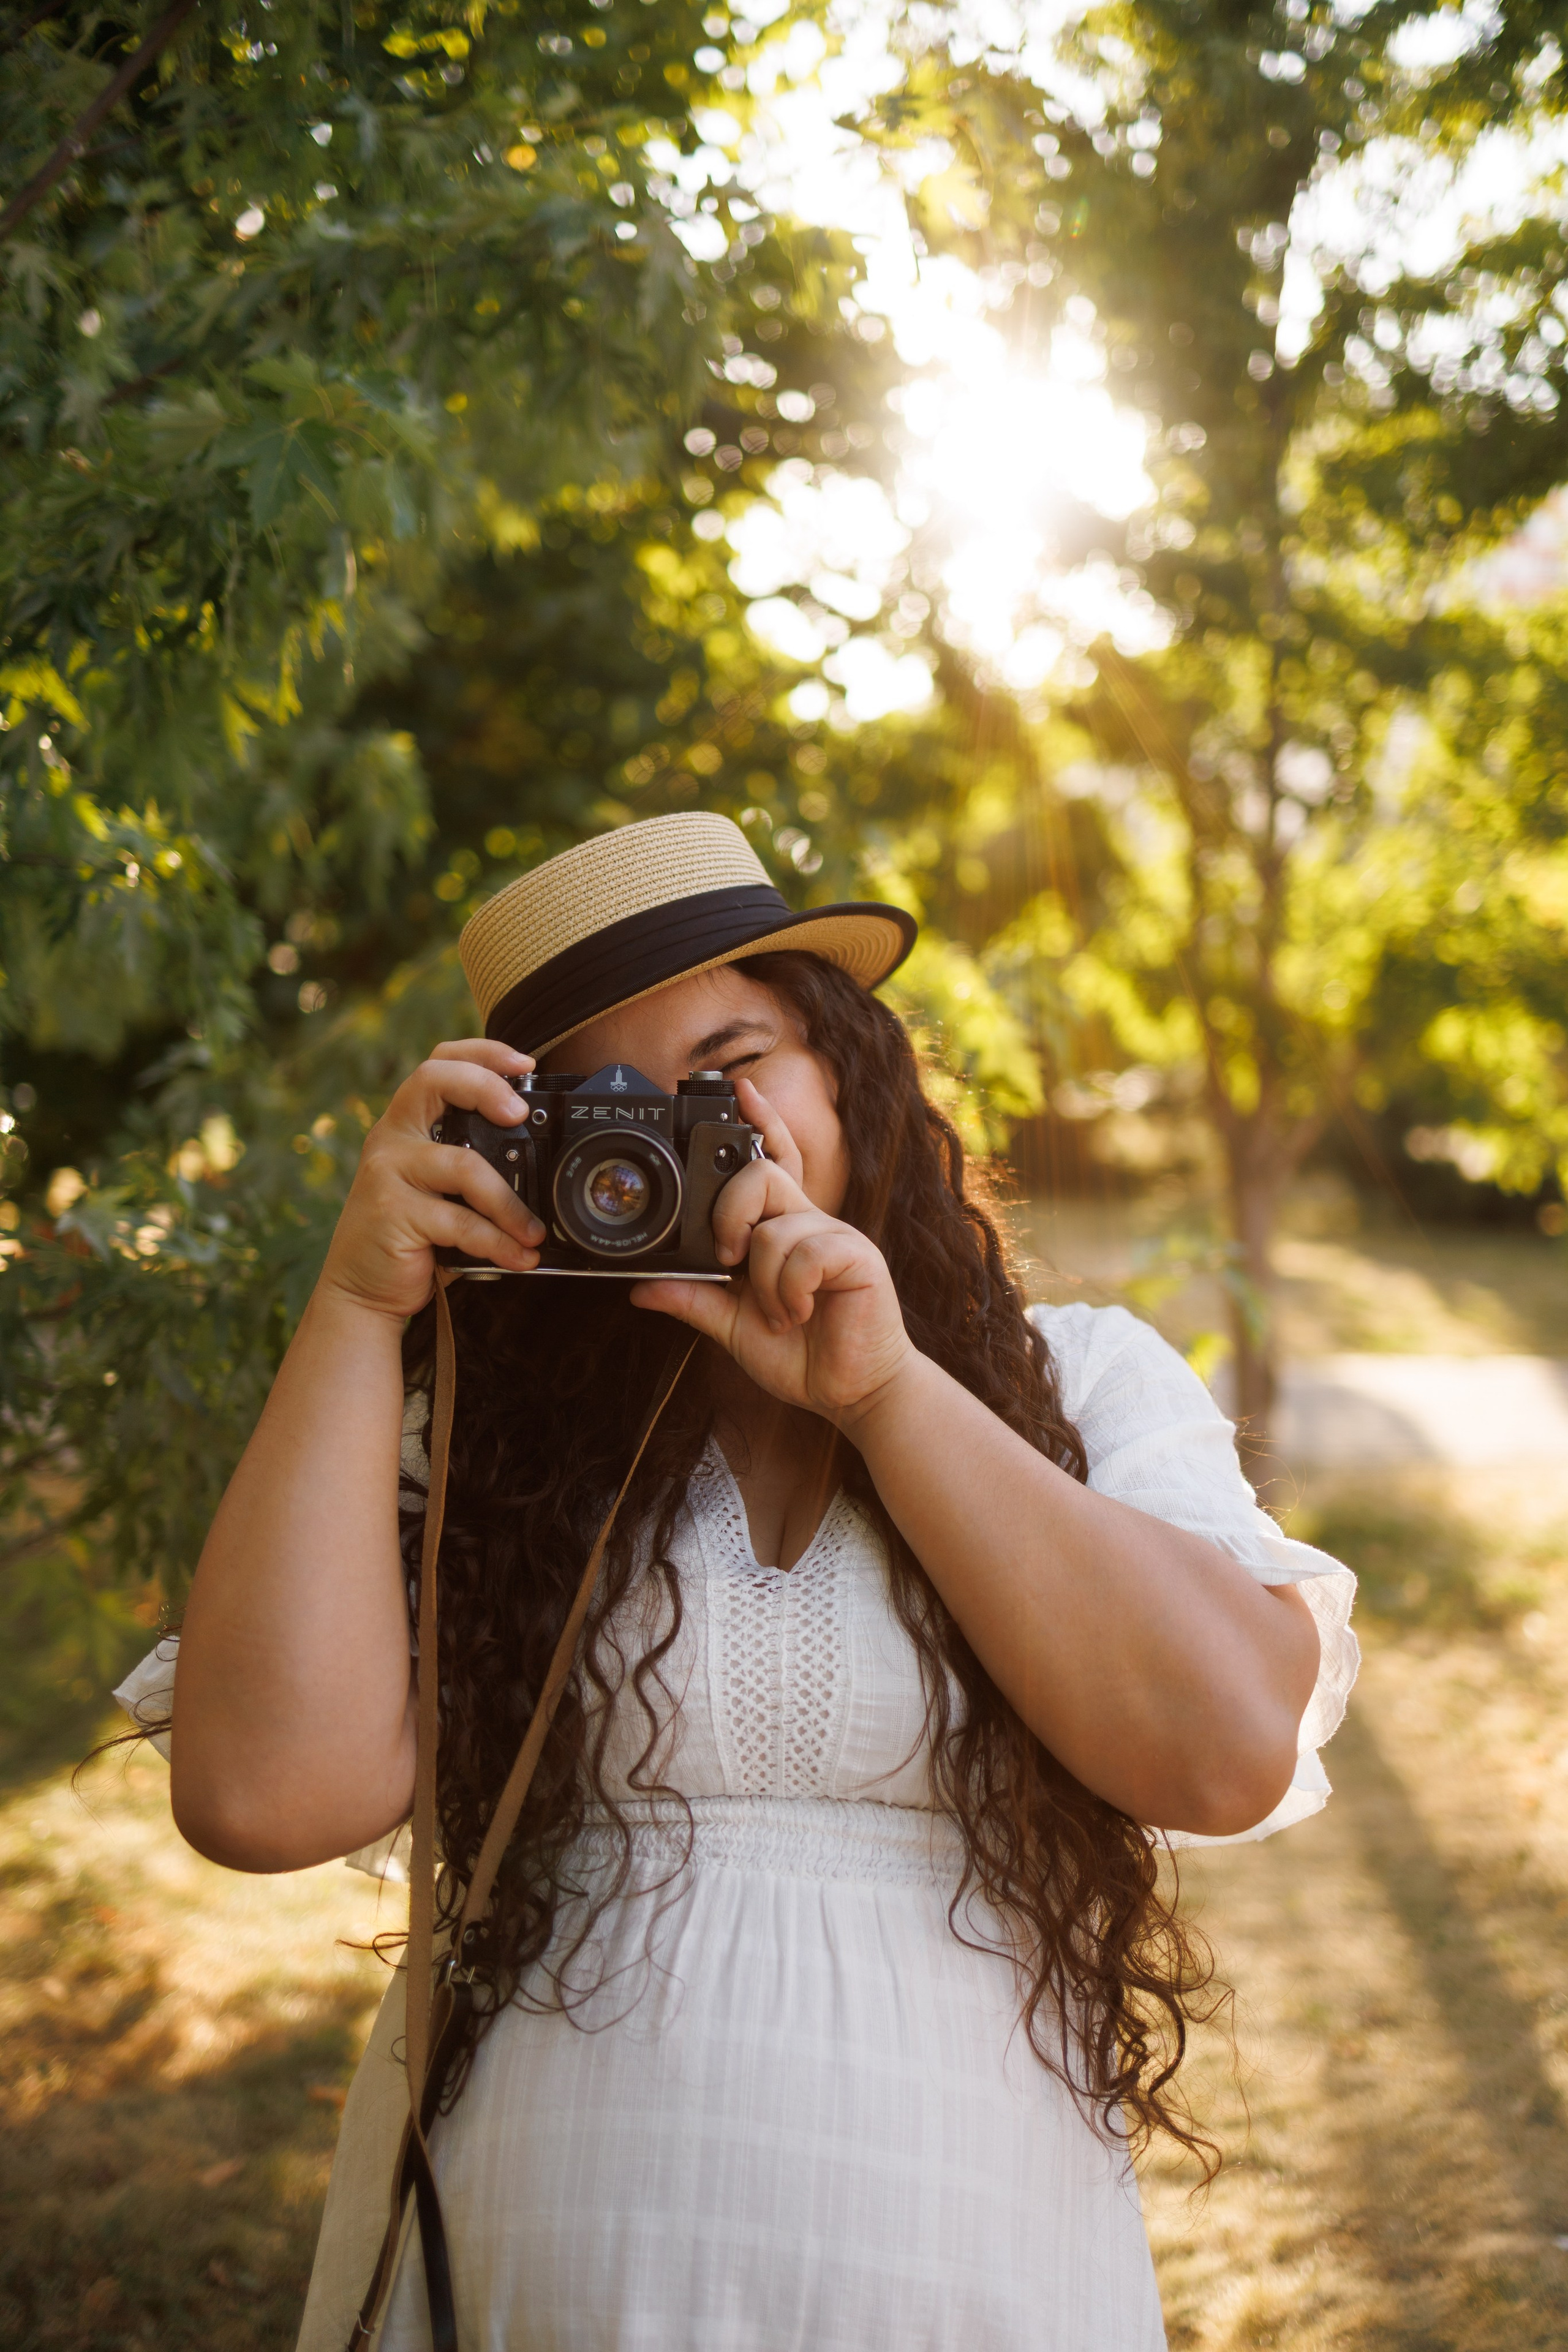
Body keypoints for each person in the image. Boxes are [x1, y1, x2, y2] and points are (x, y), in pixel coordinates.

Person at [115, 812, 1358, 2351]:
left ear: (844, 1064)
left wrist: (885, 1390)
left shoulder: (1077, 1381)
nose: (685, 1136)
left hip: (973, 2282)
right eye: (606, 1110)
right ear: (524, 1156)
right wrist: (361, 1306)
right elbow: (260, 1799)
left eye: (728, 1065)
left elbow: (1227, 1750)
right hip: (523, 2288)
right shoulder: (479, 1445)